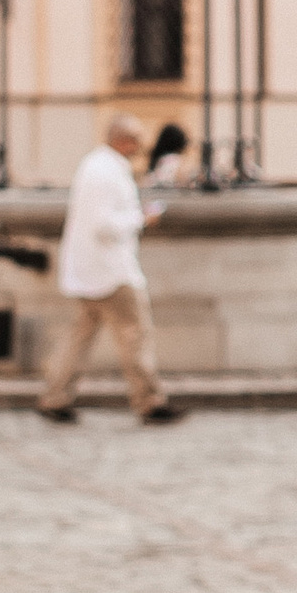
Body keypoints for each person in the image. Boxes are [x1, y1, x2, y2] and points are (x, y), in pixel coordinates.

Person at [37, 112, 186, 426]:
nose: (140, 146)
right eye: (136, 140)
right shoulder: (106, 171)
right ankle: (149, 400)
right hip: (111, 270)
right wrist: (141, 219)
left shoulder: (95, 165)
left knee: (81, 336)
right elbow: (104, 225)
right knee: (136, 334)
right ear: (123, 140)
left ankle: (55, 395)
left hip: (90, 269)